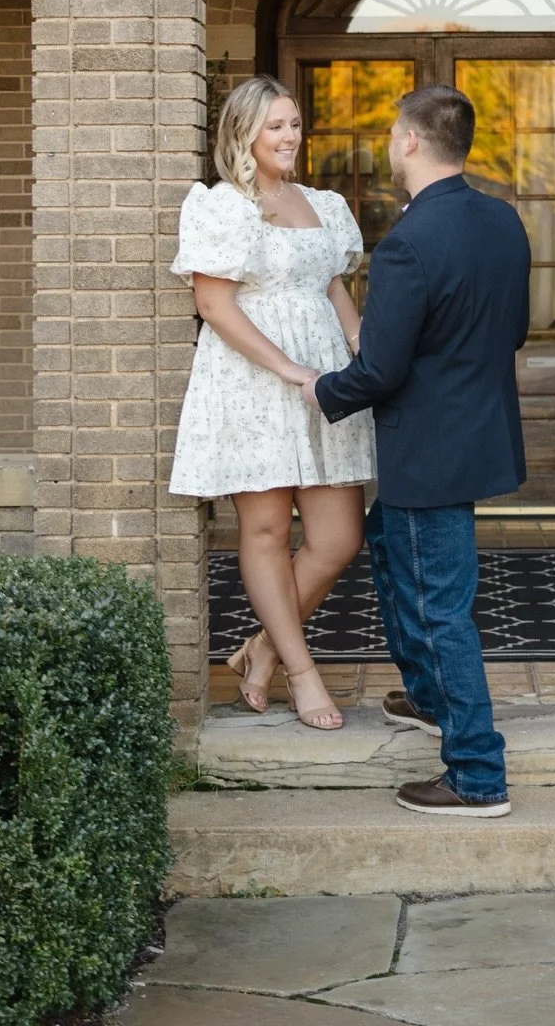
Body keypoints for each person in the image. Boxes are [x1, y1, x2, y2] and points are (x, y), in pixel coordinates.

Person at [304, 85, 531, 816]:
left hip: (425, 448)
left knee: (439, 610)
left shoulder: (407, 243)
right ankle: (430, 696)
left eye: (392, 135)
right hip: (472, 433)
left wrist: (319, 390)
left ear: (408, 142)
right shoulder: (503, 221)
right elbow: (515, 330)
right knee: (395, 560)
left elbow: (379, 370)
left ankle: (476, 773)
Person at [169, 75, 373, 730]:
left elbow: (332, 287)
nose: (289, 136)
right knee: (263, 530)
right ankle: (301, 671)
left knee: (339, 538)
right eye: (275, 126)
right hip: (253, 379)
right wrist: (287, 368)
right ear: (243, 134)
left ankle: (262, 648)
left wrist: (362, 346)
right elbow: (212, 303)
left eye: (293, 124)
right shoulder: (221, 206)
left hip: (324, 383)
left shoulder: (322, 202)